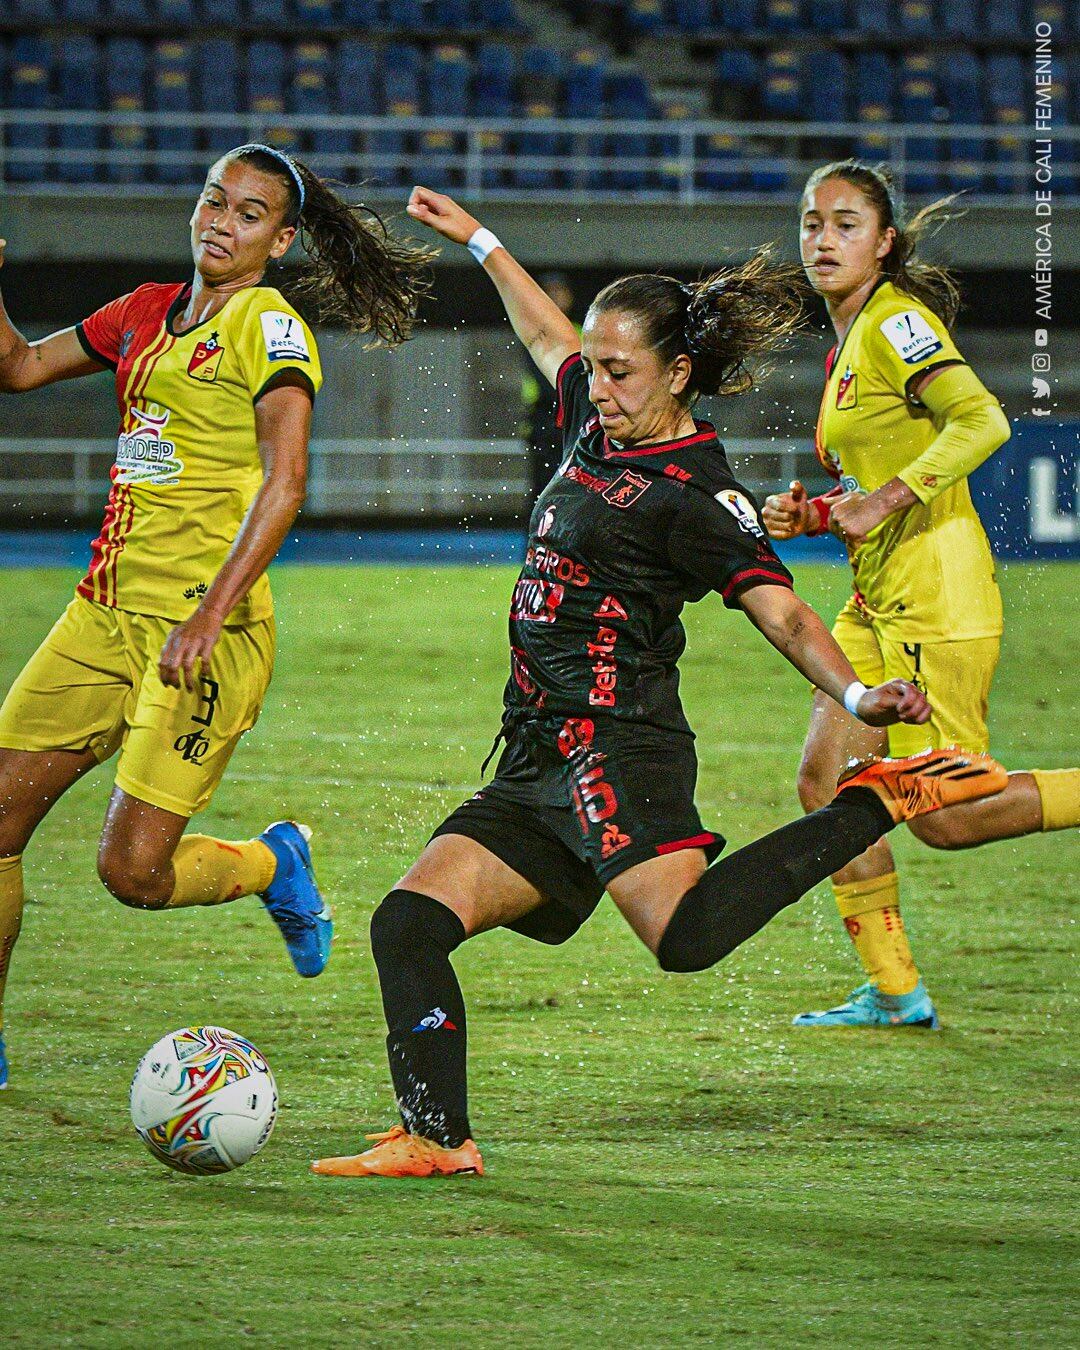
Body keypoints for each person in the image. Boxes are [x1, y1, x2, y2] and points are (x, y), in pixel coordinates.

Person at [311, 186, 1007, 1180]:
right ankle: (437, 1136)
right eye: (594, 369)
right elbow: (548, 336)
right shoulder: (597, 418)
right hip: (537, 750)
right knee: (409, 924)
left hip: (618, 745)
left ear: (677, 373)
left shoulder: (700, 493)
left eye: (619, 371)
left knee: (683, 940)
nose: (596, 387)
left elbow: (785, 611)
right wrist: (484, 242)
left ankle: (880, 799)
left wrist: (858, 702)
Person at [0, 143, 432, 1090]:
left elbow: (286, 482)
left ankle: (270, 865)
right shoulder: (144, 312)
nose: (219, 222)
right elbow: (20, 369)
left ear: (278, 242)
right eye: (212, 201)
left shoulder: (268, 326)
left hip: (205, 639)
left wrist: (209, 615)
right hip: (101, 617)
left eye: (246, 214)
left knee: (133, 876)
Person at [762, 159, 1080, 1030]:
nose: (822, 239)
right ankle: (897, 992)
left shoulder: (897, 323)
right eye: (811, 223)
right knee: (827, 782)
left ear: (885, 241)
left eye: (845, 224)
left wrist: (881, 500)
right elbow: (872, 477)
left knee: (942, 814)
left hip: (934, 600)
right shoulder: (851, 337)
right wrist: (820, 511)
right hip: (875, 601)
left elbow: (983, 419)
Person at [520, 271, 577, 502]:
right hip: (544, 422)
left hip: (574, 423)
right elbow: (547, 384)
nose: (555, 298)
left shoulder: (581, 332)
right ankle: (539, 536)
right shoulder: (532, 333)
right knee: (543, 488)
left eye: (560, 292)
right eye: (549, 293)